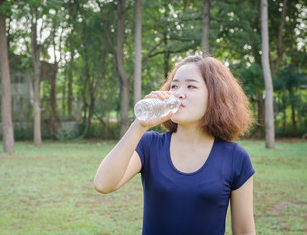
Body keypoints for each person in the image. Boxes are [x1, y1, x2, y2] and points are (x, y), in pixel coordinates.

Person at [94, 55, 256, 235]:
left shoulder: (236, 158)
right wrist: (139, 125)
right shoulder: (150, 146)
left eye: (191, 86)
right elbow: (103, 184)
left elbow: (244, 231)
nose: (178, 93)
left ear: (215, 96)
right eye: (174, 86)